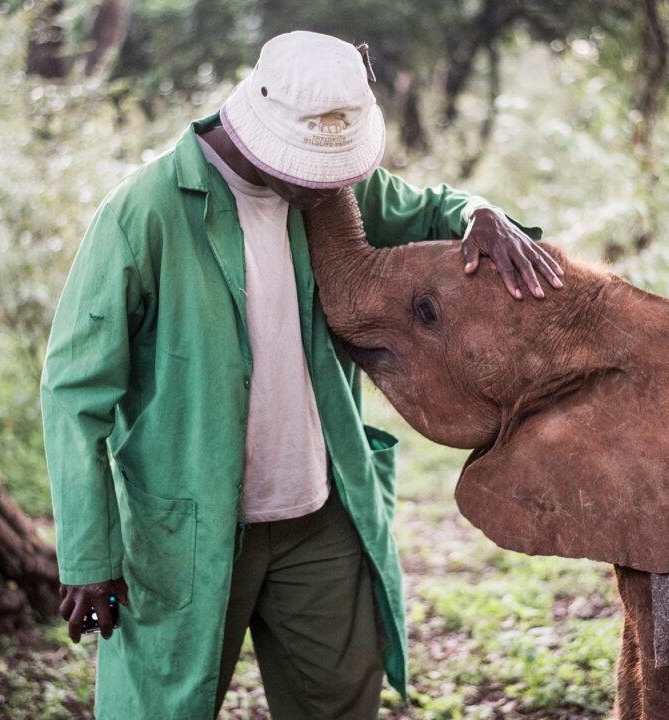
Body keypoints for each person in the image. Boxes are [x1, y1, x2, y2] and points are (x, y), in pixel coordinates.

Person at [40, 30, 561, 720]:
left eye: (338, 168)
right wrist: (87, 553)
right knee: (157, 707)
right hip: (185, 532)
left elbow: (436, 208)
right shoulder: (145, 214)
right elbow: (73, 393)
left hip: (321, 515)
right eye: (313, 167)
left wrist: (482, 214)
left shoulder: (330, 193)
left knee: (340, 702)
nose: (333, 184)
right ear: (258, 131)